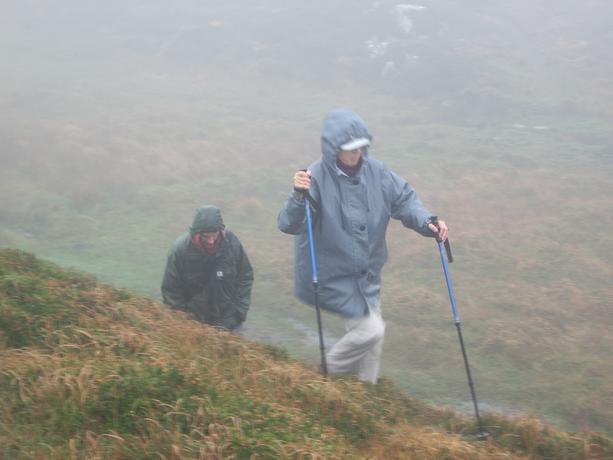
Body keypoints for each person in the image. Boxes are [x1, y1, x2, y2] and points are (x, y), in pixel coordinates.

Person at [278, 108, 448, 383]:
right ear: (334, 148)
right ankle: (319, 377)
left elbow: (404, 200)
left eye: (360, 148)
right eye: (349, 149)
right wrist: (298, 195)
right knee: (371, 331)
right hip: (330, 274)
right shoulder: (315, 178)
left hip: (366, 271)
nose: (356, 154)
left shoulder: (377, 172)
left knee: (373, 341)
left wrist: (427, 222)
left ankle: (364, 395)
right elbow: (289, 224)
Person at [162, 205, 254, 332]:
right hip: (194, 326)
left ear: (220, 231)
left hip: (230, 323)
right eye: (206, 236)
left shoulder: (232, 243)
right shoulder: (180, 251)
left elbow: (245, 276)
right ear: (196, 233)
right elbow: (171, 292)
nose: (211, 241)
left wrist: (239, 312)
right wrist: (184, 321)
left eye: (214, 235)